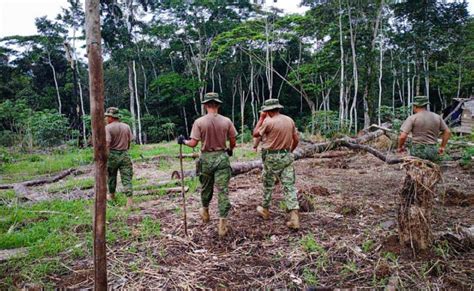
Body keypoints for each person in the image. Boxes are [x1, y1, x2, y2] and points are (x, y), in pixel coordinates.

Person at [178, 92, 237, 237]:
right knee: (223, 191)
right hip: (222, 158)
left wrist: (183, 141)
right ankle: (223, 223)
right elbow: (233, 140)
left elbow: (193, 143)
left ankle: (205, 210)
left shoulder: (199, 122)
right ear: (217, 105)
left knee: (206, 187)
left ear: (205, 105)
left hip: (206, 159)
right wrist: (229, 150)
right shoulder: (227, 121)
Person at [252, 99, 300, 230]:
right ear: (278, 108)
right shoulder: (289, 120)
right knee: (289, 185)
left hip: (271, 157)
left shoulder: (268, 121)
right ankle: (294, 217)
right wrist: (290, 151)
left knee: (268, 184)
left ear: (267, 110)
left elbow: (255, 133)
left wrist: (261, 118)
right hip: (286, 156)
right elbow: (296, 139)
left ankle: (265, 208)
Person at [398, 96, 451, 162]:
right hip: (432, 151)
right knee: (432, 170)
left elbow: (403, 136)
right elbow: (447, 132)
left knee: (416, 170)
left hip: (417, 151)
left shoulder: (413, 118)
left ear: (415, 106)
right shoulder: (437, 117)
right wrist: (442, 147)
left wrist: (400, 147)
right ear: (426, 105)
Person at [105, 107, 134, 209]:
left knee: (111, 177)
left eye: (107, 117)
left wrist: (106, 156)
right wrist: (126, 149)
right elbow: (130, 140)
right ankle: (129, 202)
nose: (106, 119)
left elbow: (107, 143)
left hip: (112, 154)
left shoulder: (108, 128)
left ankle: (112, 196)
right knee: (127, 178)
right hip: (125, 154)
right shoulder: (126, 126)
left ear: (111, 117)